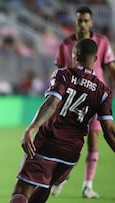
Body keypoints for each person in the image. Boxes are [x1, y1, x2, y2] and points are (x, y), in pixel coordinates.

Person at [9, 38, 115, 203]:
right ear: (95, 59)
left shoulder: (64, 74)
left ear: (76, 55)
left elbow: (52, 103)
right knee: (45, 185)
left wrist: (31, 129)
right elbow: (109, 132)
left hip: (48, 143)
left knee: (22, 189)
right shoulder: (104, 92)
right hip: (71, 153)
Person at [51, 6, 115, 198]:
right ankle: (62, 176)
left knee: (95, 139)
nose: (83, 24)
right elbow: (59, 70)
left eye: (86, 20)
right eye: (80, 20)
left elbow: (111, 67)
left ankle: (87, 185)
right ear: (75, 22)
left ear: (91, 22)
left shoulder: (102, 42)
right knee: (67, 140)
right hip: (73, 100)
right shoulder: (65, 44)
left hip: (95, 98)